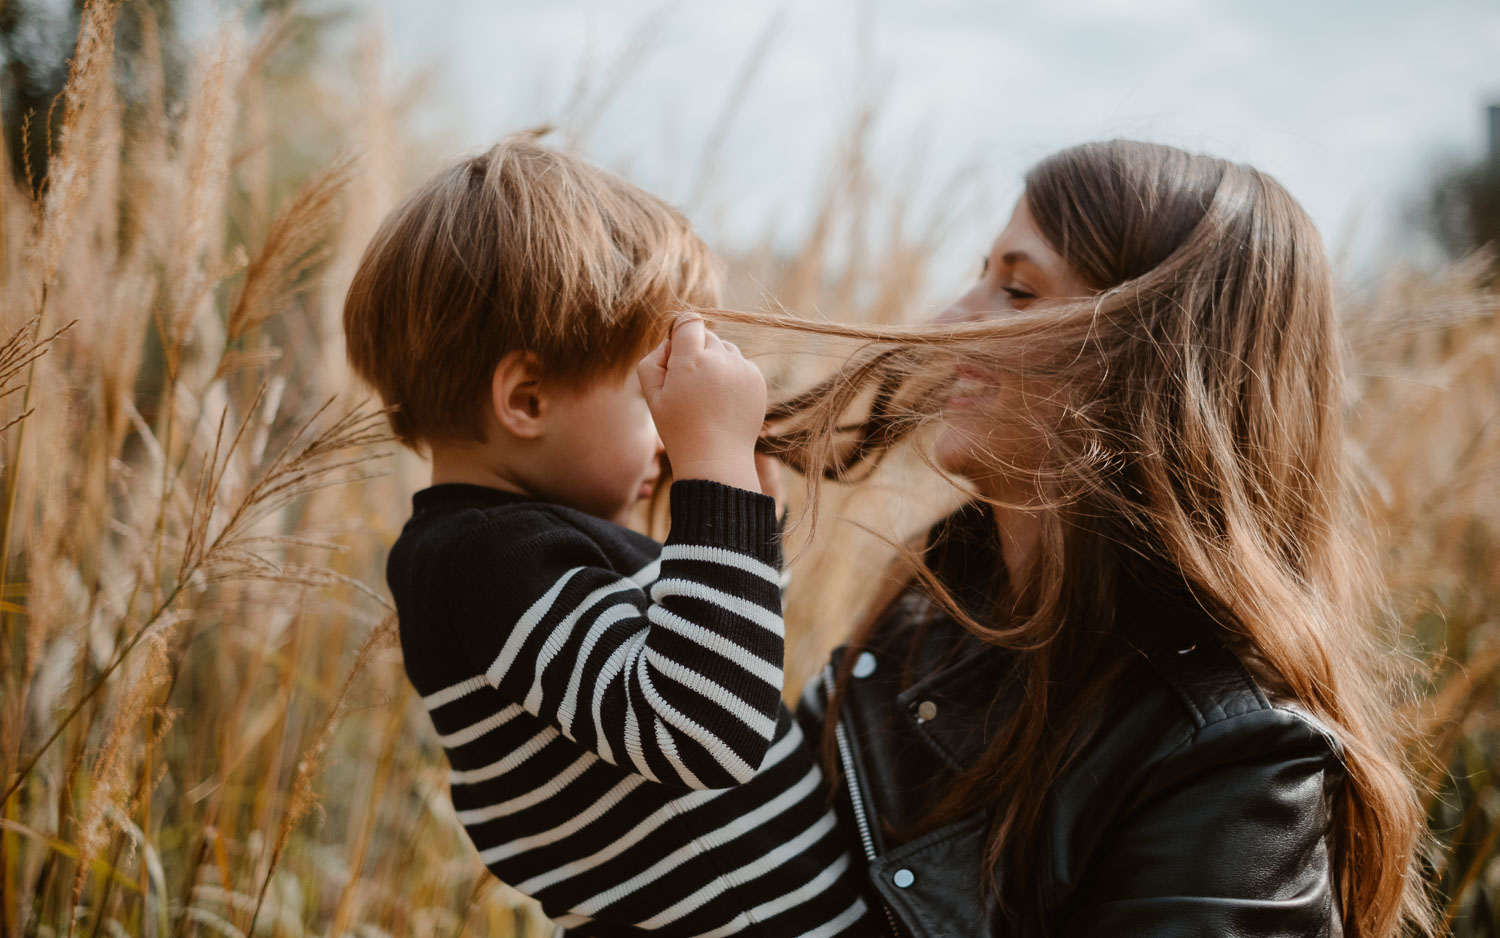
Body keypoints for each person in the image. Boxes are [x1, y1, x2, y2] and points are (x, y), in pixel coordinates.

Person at [743, 140, 1433, 937]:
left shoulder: (1230, 765)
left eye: (1017, 289)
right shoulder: (929, 611)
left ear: (1153, 360)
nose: (946, 323)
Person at [342, 133, 872, 936]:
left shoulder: (524, 552)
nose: (669, 438)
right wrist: (712, 466)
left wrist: (742, 525)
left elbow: (702, 665)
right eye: (649, 404)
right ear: (526, 399)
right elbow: (706, 729)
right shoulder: (481, 561)